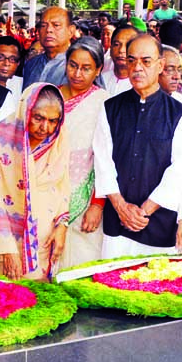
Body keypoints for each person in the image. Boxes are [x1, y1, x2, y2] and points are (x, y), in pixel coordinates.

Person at [93, 34, 182, 257]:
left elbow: (180, 171)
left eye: (146, 61)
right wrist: (121, 208)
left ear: (160, 65)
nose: (137, 67)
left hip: (158, 223)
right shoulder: (110, 108)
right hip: (117, 222)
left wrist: (143, 211)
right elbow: (103, 162)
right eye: (132, 61)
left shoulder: (180, 114)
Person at [0, 83, 71, 280]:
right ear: (26, 110)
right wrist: (7, 250)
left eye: (53, 121)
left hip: (44, 239)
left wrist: (62, 225)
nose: (45, 128)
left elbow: (63, 185)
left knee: (39, 300)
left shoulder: (60, 139)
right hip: (4, 241)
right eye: (38, 118)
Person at [58, 38, 111, 268]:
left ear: (98, 69)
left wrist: (97, 204)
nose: (77, 73)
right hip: (49, 195)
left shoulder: (103, 103)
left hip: (87, 198)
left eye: (86, 68)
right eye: (72, 65)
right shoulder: (50, 97)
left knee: (81, 264)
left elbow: (106, 160)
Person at [24, 7, 75, 88]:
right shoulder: (31, 64)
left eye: (56, 25)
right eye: (43, 25)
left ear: (71, 31)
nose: (48, 30)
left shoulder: (77, 67)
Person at [100, 24, 140, 97]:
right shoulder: (101, 80)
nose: (121, 50)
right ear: (111, 47)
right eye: (117, 44)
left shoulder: (142, 84)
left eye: (128, 45)